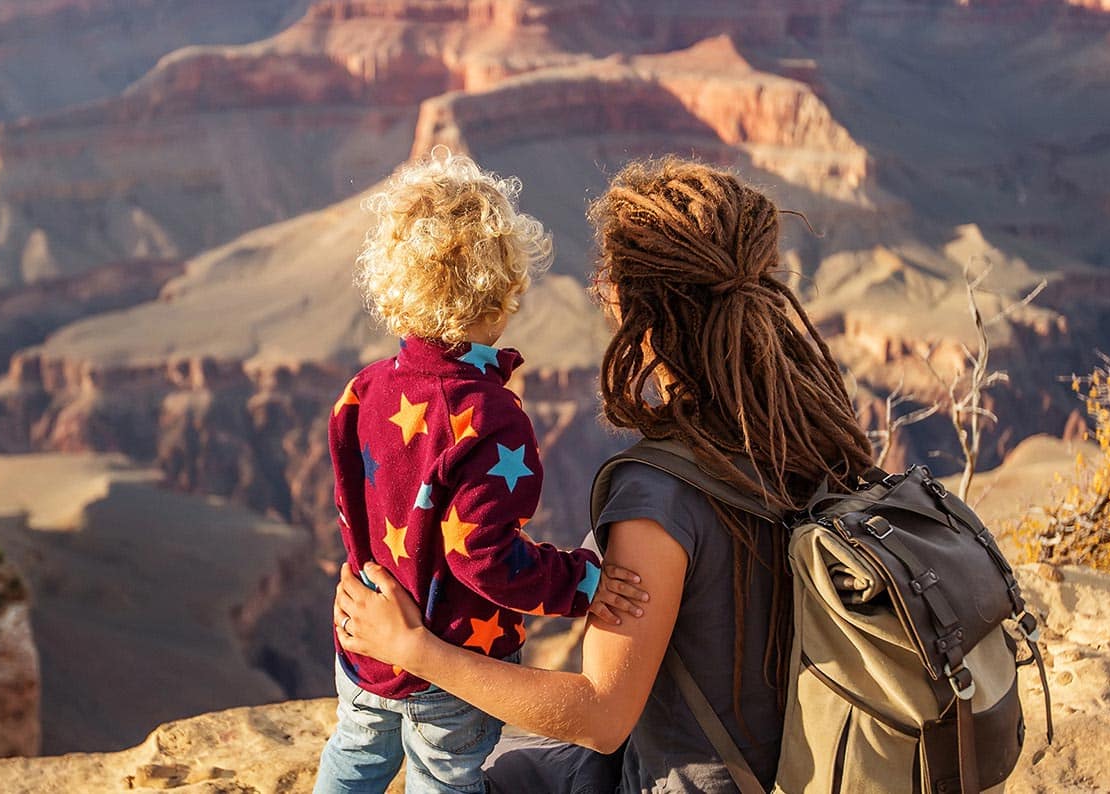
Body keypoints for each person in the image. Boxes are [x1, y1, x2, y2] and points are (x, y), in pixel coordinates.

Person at [334, 157, 876, 793]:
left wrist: (412, 650)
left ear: (642, 311)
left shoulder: (659, 496)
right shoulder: (800, 428)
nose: (596, 287)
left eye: (606, 277)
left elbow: (600, 717)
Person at [316, 151, 651, 794]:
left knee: (355, 752)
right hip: (452, 658)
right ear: (502, 292)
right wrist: (583, 583)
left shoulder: (363, 390)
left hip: (364, 637)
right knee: (444, 777)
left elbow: (352, 506)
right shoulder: (489, 418)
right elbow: (483, 559)